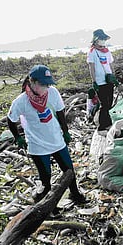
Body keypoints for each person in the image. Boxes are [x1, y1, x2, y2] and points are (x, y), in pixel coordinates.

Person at [7, 64, 87, 206]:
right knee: (46, 180)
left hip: (56, 140)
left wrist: (66, 131)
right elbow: (11, 119)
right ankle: (47, 204)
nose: (46, 88)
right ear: (32, 82)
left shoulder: (53, 93)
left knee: (69, 172)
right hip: (37, 145)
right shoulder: (21, 101)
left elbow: (61, 112)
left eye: (48, 84)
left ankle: (75, 193)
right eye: (43, 84)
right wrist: (17, 137)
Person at [86, 29, 123, 133]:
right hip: (100, 82)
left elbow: (110, 66)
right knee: (104, 104)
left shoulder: (107, 51)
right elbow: (92, 67)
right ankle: (102, 126)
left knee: (110, 102)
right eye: (101, 39)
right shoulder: (92, 52)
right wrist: (94, 81)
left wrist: (114, 79)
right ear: (96, 40)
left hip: (109, 81)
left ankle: (108, 123)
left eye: (103, 39)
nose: (102, 41)